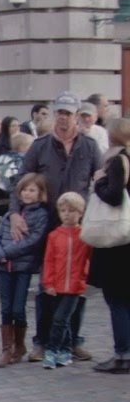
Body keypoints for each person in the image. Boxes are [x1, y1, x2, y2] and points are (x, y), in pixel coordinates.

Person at [16, 90, 102, 361]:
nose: (63, 118)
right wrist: (16, 213)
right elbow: (19, 182)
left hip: (79, 227)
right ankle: (41, 342)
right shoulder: (40, 146)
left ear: (78, 116)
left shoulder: (89, 147)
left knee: (76, 285)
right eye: (60, 113)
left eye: (69, 113)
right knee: (47, 284)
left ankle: (72, 341)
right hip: (46, 223)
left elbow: (99, 181)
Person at [0, 174, 50, 367]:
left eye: (32, 190)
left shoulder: (41, 215)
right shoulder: (10, 214)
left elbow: (33, 241)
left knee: (18, 309)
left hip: (22, 266)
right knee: (6, 309)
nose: (27, 194)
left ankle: (20, 345)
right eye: (24, 190)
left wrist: (7, 252)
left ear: (40, 193)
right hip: (3, 267)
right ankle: (7, 349)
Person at [88, 118, 130, 373]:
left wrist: (98, 183)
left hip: (118, 240)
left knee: (116, 298)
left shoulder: (117, 161)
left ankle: (123, 353)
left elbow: (113, 195)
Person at [39, 192, 93, 369]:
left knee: (60, 319)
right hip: (57, 285)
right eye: (63, 210)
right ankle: (65, 349)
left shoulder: (84, 235)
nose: (67, 214)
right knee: (64, 320)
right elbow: (49, 260)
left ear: (80, 213)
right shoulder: (54, 235)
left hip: (75, 286)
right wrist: (48, 283)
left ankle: (52, 349)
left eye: (71, 210)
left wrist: (84, 277)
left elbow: (88, 259)